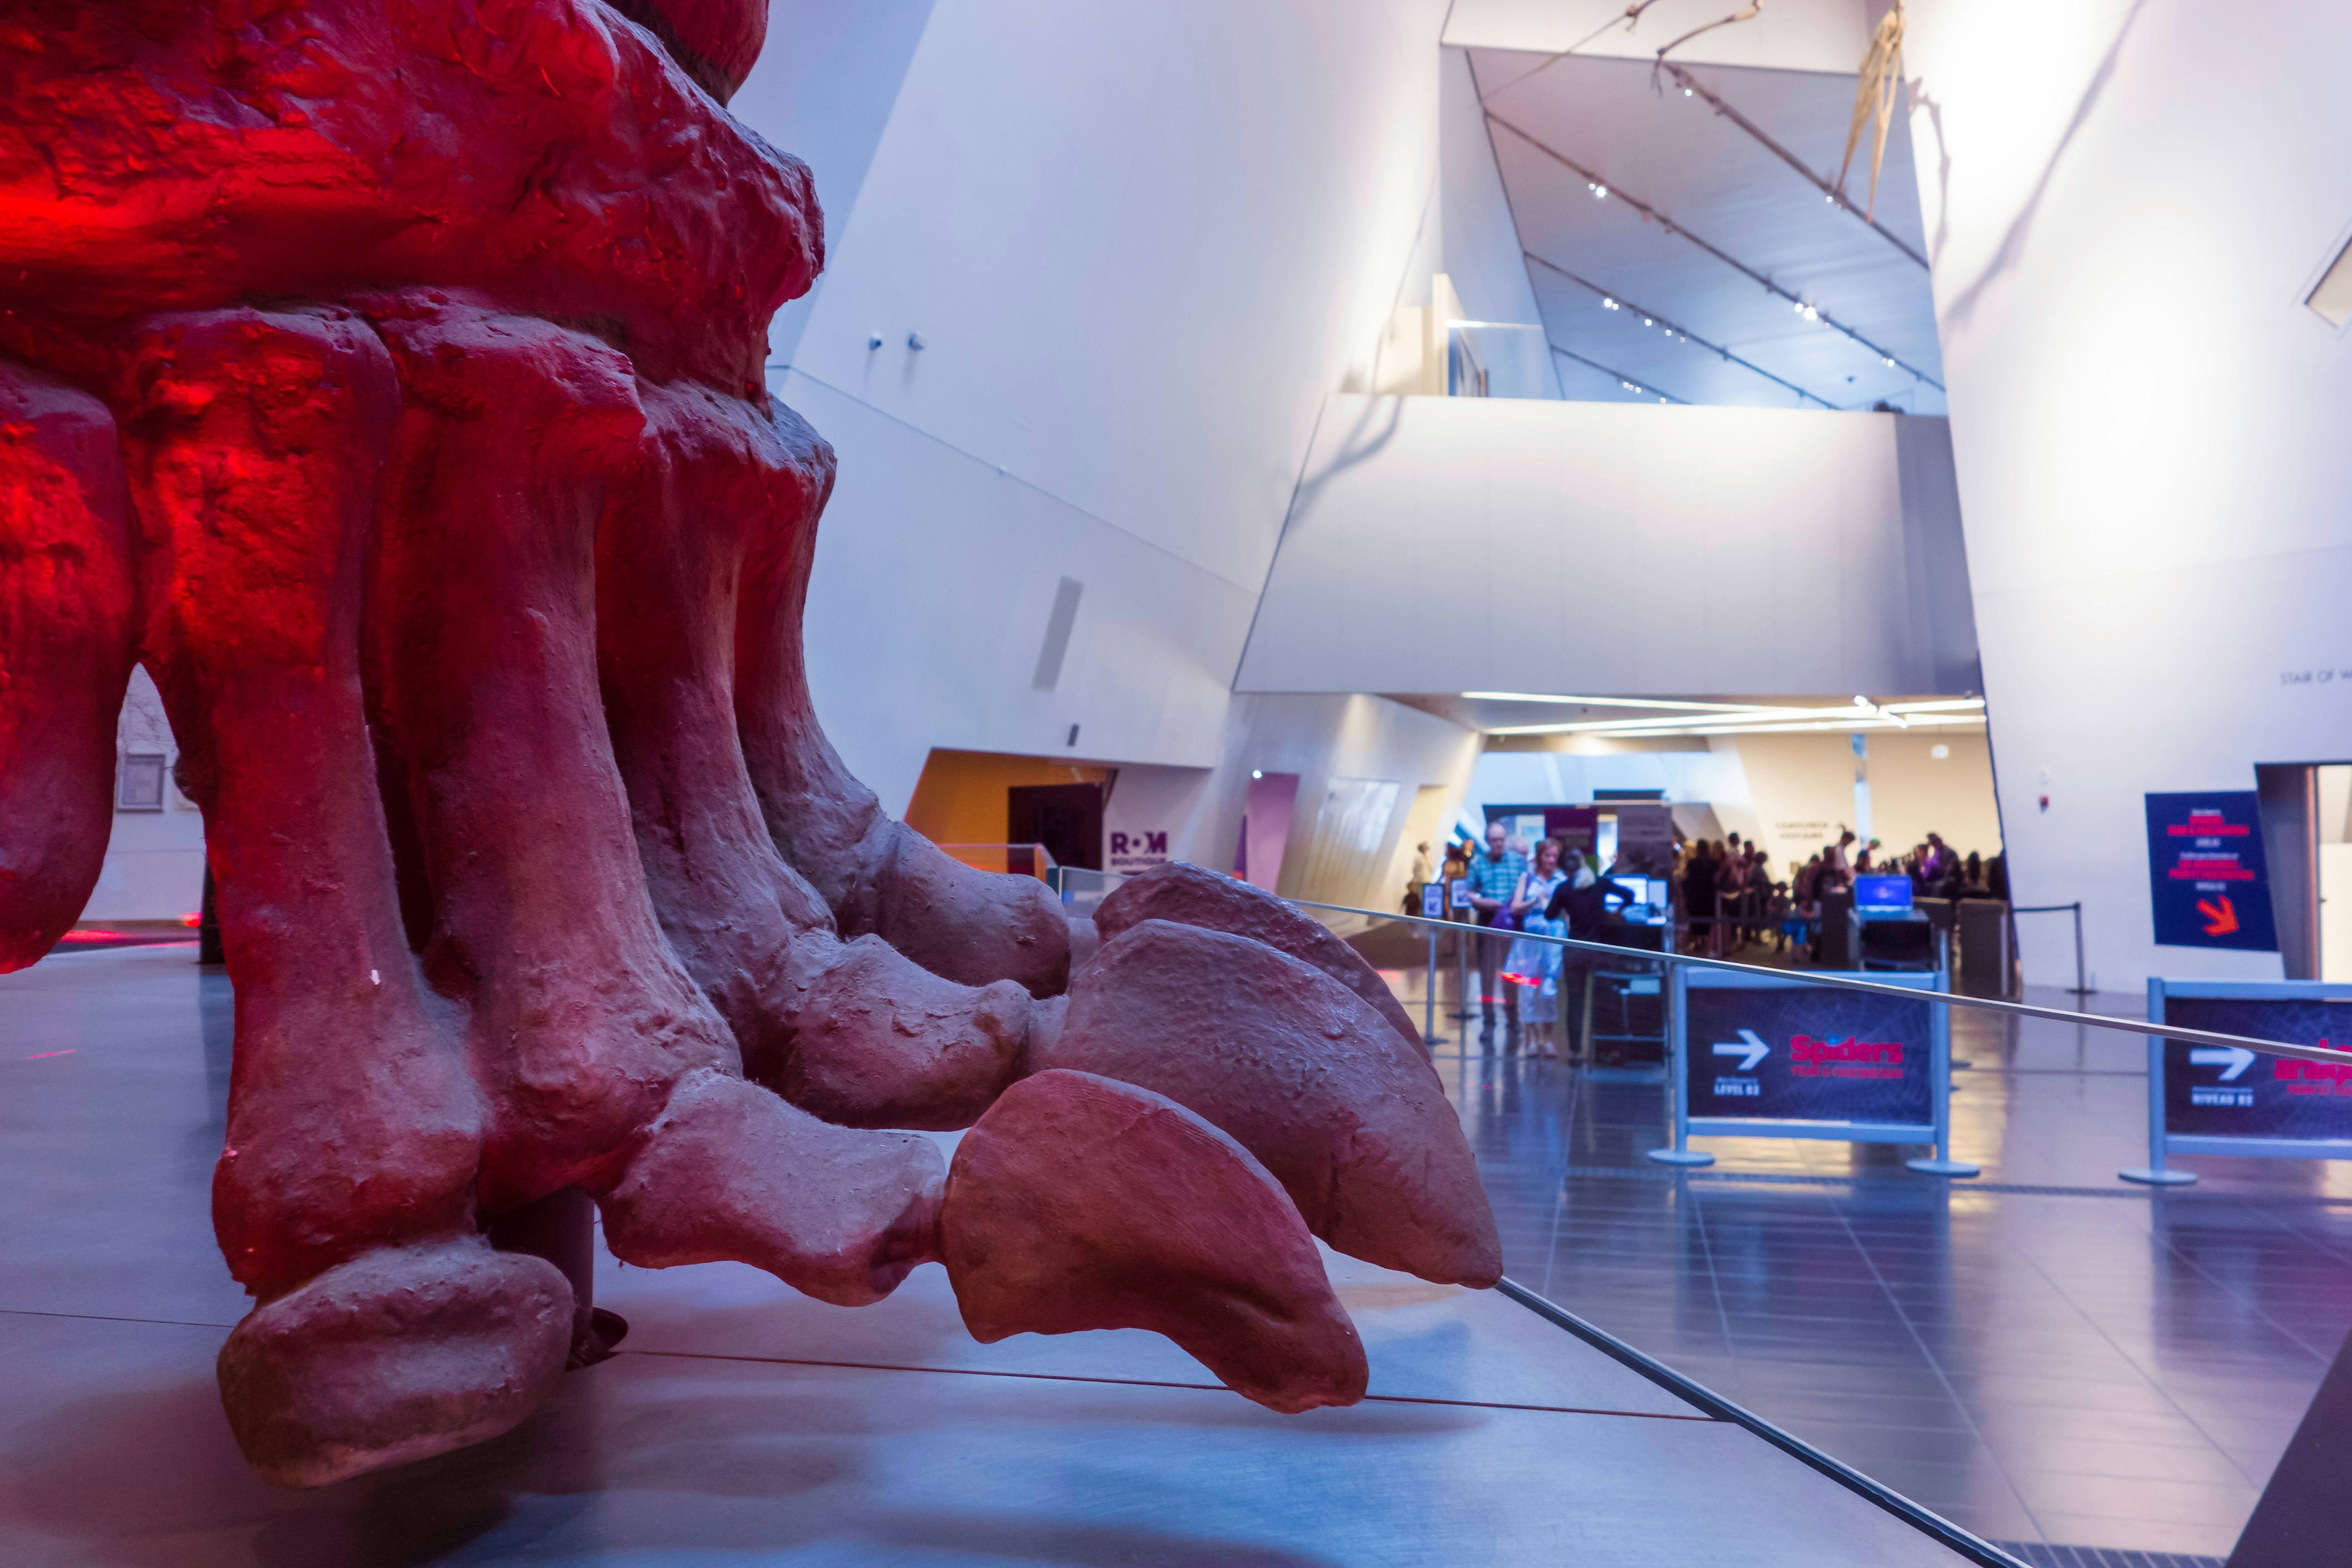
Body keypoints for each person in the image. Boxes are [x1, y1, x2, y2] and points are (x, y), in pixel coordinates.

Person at [1504, 838, 1570, 1060]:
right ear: (1540, 856)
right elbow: (1515, 907)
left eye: (1554, 856)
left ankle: (1548, 1039)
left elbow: (1568, 911)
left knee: (1549, 989)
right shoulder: (1528, 877)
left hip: (1553, 940)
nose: (1551, 860)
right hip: (1530, 942)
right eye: (1547, 855)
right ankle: (1531, 1038)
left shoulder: (1561, 879)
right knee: (1528, 988)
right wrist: (1535, 901)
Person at [1466, 820, 1528, 1049]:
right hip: (1487, 921)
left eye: (1501, 839)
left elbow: (1526, 887)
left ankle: (1513, 1020)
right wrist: (1482, 901)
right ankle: (1489, 1022)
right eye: (1494, 840)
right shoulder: (1478, 863)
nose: (1498, 843)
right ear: (1488, 841)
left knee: (1511, 973)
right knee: (1486, 974)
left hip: (1512, 922)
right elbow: (1468, 892)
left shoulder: (1517, 862)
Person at [1404, 840, 1435, 913]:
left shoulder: (1429, 857)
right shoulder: (1417, 857)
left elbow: (1431, 868)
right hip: (1419, 880)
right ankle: (1419, 912)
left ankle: (1427, 911)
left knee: (1427, 897)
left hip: (1428, 879)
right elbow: (1414, 869)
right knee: (1420, 897)